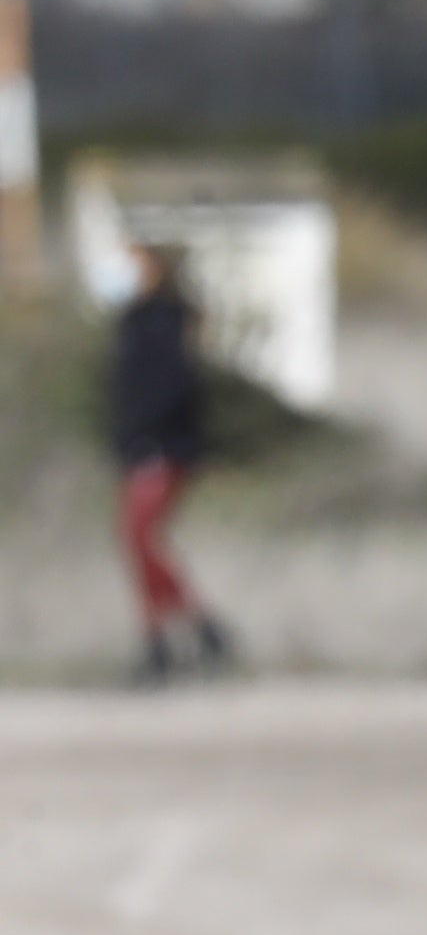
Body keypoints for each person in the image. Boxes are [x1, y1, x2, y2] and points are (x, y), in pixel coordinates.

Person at [106, 242, 232, 684]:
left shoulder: (163, 321)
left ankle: (195, 628)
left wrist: (149, 436)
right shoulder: (133, 322)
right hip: (139, 446)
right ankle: (170, 636)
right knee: (138, 543)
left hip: (160, 446)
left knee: (141, 538)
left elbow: (170, 389)